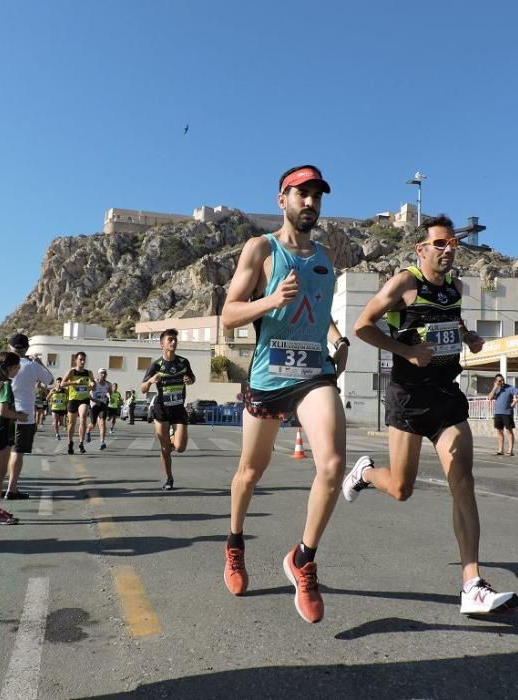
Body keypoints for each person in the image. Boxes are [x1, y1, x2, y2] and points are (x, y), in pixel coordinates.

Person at [342, 214, 518, 616]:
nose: (447, 249)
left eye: (451, 243)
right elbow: (362, 326)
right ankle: (365, 473)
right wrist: (407, 352)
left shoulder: (455, 287)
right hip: (408, 396)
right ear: (420, 250)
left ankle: (472, 584)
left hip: (445, 395)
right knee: (402, 489)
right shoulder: (404, 284)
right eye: (438, 244)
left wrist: (467, 336)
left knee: (463, 482)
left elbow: (450, 319)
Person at [220, 165, 349, 624]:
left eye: (317, 195)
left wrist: (337, 338)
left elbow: (318, 312)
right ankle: (235, 544)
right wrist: (270, 301)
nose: (310, 202)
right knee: (250, 472)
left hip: (314, 371)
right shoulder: (262, 249)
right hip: (268, 375)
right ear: (282, 200)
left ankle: (304, 558)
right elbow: (229, 315)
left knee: (333, 465)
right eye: (302, 194)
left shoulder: (325, 258)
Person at [0, 334, 53, 500]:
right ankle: (12, 488)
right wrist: (40, 363)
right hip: (24, 415)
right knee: (18, 452)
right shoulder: (32, 365)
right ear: (26, 348)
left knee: (0, 454)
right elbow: (50, 380)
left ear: (10, 346)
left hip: (1, 414)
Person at [140, 330, 196, 490]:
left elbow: (192, 378)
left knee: (180, 447)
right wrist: (150, 381)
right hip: (161, 409)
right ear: (162, 343)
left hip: (178, 409)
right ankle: (169, 478)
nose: (173, 342)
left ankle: (171, 440)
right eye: (170, 340)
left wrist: (189, 380)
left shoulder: (183, 362)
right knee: (164, 447)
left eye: (175, 340)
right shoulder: (156, 365)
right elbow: (143, 389)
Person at [0, 352, 28, 524]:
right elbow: (3, 411)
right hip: (1, 431)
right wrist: (19, 416)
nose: (18, 370)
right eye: (18, 367)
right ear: (11, 368)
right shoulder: (5, 385)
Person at [488, 374, 518, 456]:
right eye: (499, 380)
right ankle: (500, 450)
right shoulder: (496, 389)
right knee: (499, 431)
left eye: (502, 380)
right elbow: (490, 398)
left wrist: (515, 401)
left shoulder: (509, 388)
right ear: (495, 381)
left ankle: (510, 450)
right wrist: (495, 387)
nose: (502, 382)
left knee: (509, 431)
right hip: (498, 413)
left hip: (507, 413)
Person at [63, 352, 92, 454]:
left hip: (84, 398)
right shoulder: (72, 372)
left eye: (84, 360)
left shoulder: (89, 373)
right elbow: (62, 384)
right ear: (76, 360)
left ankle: (81, 443)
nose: (83, 362)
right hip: (73, 399)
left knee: (83, 417)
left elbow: (93, 384)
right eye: (81, 359)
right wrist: (74, 382)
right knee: (72, 423)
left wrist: (93, 384)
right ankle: (70, 442)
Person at [88, 368, 112, 449]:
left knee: (102, 424)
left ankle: (102, 442)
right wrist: (95, 400)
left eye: (105, 373)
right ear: (98, 374)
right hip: (94, 405)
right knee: (93, 425)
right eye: (102, 373)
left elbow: (109, 392)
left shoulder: (108, 384)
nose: (104, 375)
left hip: (102, 405)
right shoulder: (94, 383)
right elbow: (87, 395)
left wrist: (109, 396)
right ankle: (87, 432)